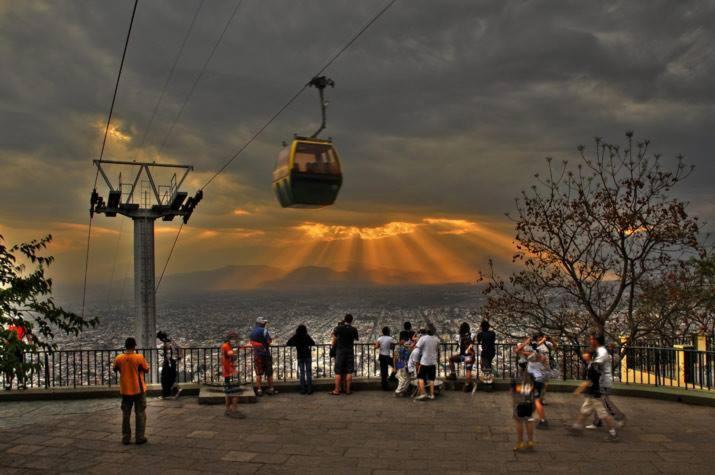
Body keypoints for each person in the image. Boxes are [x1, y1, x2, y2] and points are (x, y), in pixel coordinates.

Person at [568, 341, 622, 442]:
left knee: (603, 414)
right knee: (585, 411)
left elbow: (589, 381)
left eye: (585, 353)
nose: (583, 355)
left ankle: (613, 433)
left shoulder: (592, 366)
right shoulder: (594, 365)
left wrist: (578, 390)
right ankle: (576, 427)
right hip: (592, 393)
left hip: (595, 394)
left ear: (589, 356)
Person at [113, 337, 149, 445]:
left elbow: (115, 369)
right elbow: (146, 369)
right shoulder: (139, 357)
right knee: (140, 413)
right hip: (139, 389)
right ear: (134, 346)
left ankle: (126, 437)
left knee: (126, 414)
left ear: (125, 346)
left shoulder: (119, 358)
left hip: (125, 390)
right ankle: (139, 437)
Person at [515, 335, 549, 428]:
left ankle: (543, 420)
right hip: (540, 378)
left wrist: (526, 342)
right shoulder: (542, 354)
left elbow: (518, 350)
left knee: (536, 400)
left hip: (535, 379)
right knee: (533, 399)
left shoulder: (531, 354)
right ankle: (535, 416)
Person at [331, 313, 359, 395]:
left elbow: (334, 338)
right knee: (349, 371)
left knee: (338, 371)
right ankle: (348, 390)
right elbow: (356, 338)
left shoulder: (338, 328)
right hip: (349, 351)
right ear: (351, 320)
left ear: (345, 319)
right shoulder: (354, 329)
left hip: (340, 351)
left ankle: (336, 390)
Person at [249, 317, 278, 396]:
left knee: (258, 373)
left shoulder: (252, 332)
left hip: (257, 355)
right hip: (266, 354)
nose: (265, 324)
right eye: (264, 323)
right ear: (262, 324)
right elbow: (268, 341)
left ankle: (259, 390)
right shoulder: (264, 330)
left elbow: (252, 342)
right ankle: (271, 389)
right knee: (269, 373)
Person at [221, 332, 246, 418]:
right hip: (229, 371)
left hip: (228, 371)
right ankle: (233, 410)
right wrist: (237, 348)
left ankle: (228, 410)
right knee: (235, 392)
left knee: (229, 392)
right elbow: (231, 354)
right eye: (234, 338)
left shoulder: (226, 346)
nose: (234, 340)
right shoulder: (226, 346)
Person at [287, 324, 316, 395]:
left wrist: (296, 344)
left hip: (300, 356)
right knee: (308, 373)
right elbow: (313, 343)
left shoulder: (296, 336)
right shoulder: (306, 336)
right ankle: (309, 390)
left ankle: (303, 390)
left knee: (302, 373)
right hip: (308, 356)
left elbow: (288, 343)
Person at [447, 322, 475, 391]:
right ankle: (467, 385)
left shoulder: (459, 336)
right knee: (468, 370)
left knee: (451, 359)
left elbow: (459, 344)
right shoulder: (471, 335)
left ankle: (453, 374)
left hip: (462, 355)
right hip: (470, 356)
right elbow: (473, 343)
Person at [414, 324, 440, 401]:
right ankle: (432, 395)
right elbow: (437, 349)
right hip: (433, 361)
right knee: (432, 379)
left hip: (424, 361)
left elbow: (417, 347)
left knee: (420, 377)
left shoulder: (423, 338)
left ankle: (423, 393)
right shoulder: (437, 339)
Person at [511, 374, 536, 451]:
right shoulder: (531, 375)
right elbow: (533, 389)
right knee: (529, 420)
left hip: (519, 402)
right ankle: (530, 441)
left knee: (519, 421)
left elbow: (513, 390)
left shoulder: (515, 375)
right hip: (529, 401)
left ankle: (520, 442)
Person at [3, 323, 29, 390]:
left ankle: (10, 383)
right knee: (11, 366)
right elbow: (26, 335)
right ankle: (13, 383)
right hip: (15, 348)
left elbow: (27, 335)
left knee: (14, 366)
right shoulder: (12, 326)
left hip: (15, 348)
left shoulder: (14, 326)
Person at [157, 331, 182, 399]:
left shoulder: (167, 342)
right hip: (172, 361)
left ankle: (167, 394)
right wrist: (179, 357)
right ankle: (171, 392)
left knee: (165, 378)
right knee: (170, 378)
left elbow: (168, 353)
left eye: (160, 338)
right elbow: (179, 348)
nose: (160, 340)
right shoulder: (171, 341)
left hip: (169, 362)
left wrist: (167, 362)